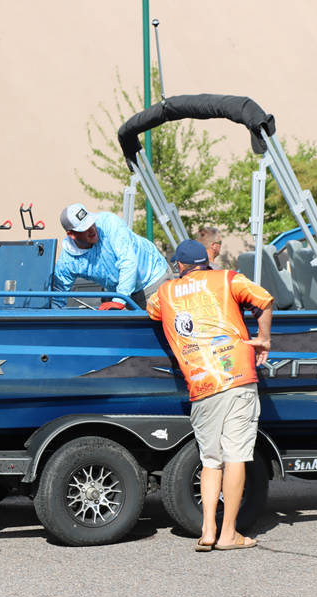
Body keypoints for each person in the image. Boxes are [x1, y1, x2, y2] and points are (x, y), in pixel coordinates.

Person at [147, 239, 273, 551]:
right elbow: (265, 300)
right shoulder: (229, 278)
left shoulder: (165, 292)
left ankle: (207, 531)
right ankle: (228, 534)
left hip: (201, 385)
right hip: (237, 377)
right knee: (236, 457)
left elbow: (151, 312)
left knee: (210, 461)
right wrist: (264, 339)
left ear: (179, 265)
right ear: (208, 260)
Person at [52, 204, 171, 309]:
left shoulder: (110, 222)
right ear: (71, 234)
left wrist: (119, 301)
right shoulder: (66, 262)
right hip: (119, 293)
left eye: (91, 222)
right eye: (85, 228)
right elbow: (57, 298)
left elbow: (128, 263)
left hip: (153, 280)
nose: (92, 229)